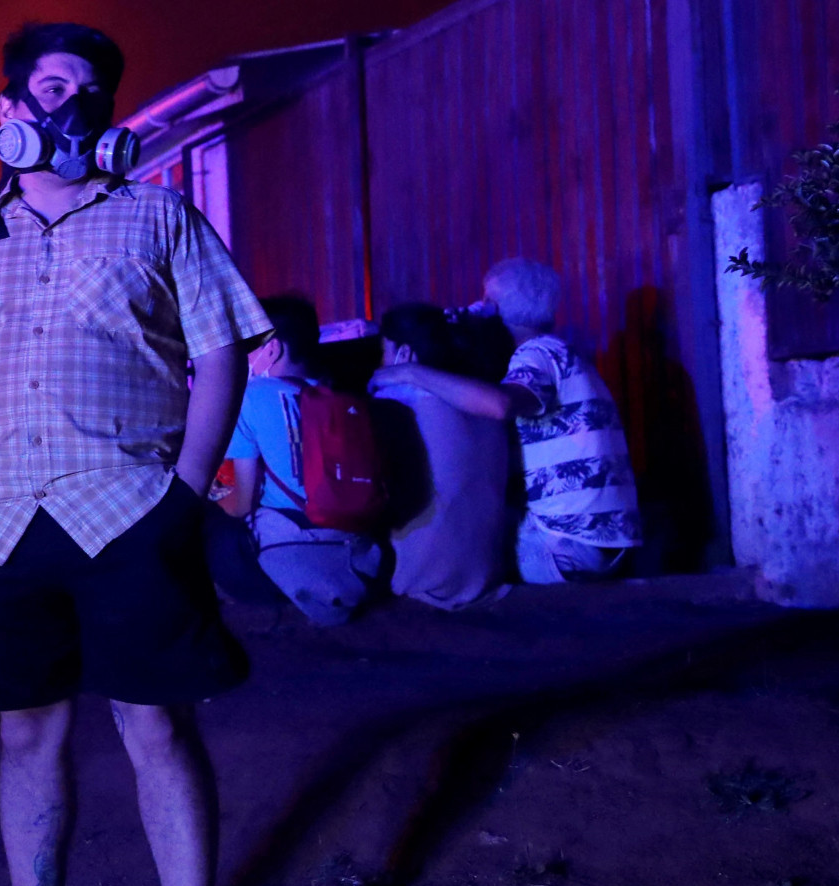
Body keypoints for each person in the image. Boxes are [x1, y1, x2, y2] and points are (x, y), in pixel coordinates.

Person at [0, 22, 270, 886]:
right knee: (27, 729)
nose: (73, 102)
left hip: (126, 511)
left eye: (92, 87)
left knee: (155, 722)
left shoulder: (159, 217)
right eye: (54, 82)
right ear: (11, 108)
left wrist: (186, 493)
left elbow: (219, 355)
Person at [370, 257, 640, 583]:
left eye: (486, 299)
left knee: (464, 541)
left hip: (569, 546)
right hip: (603, 541)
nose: (478, 306)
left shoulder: (538, 353)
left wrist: (410, 372)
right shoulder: (564, 354)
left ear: (495, 308)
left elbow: (500, 404)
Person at [214, 294, 382, 626]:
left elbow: (242, 504)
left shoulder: (249, 398)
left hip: (284, 561)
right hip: (363, 560)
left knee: (203, 514)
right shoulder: (344, 397)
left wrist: (210, 500)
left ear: (272, 349)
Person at [368, 303, 513, 609]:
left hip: (425, 582)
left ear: (404, 355)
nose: (380, 363)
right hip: (487, 574)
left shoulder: (396, 401)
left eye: (383, 352)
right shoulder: (481, 399)